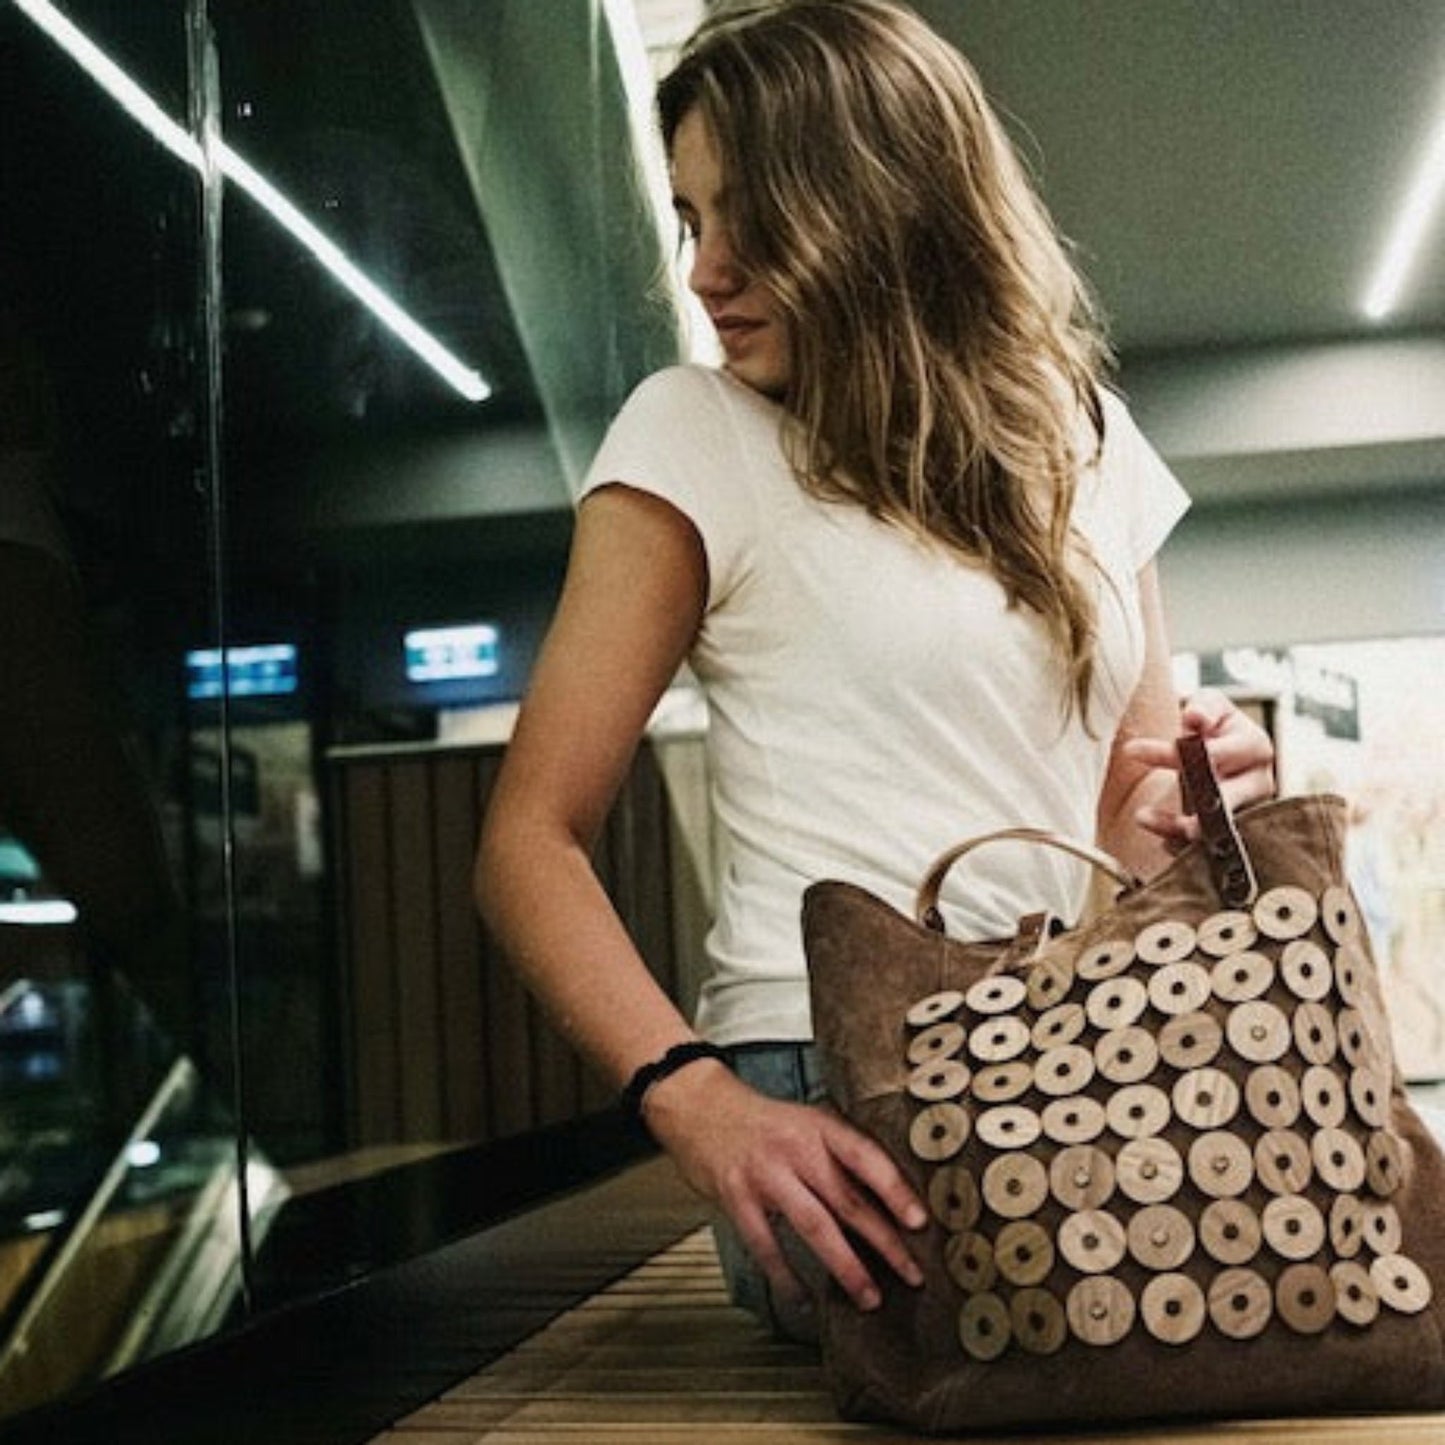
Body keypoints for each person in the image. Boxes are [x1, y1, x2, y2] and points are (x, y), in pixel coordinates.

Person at [476, 0, 1275, 1343]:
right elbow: (525, 841)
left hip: (1083, 1040)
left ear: (884, 202)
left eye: (750, 219)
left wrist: (1196, 796)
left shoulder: (1086, 435)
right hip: (839, 1085)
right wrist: (696, 1096)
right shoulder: (691, 433)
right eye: (688, 219)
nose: (704, 272)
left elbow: (1120, 837)